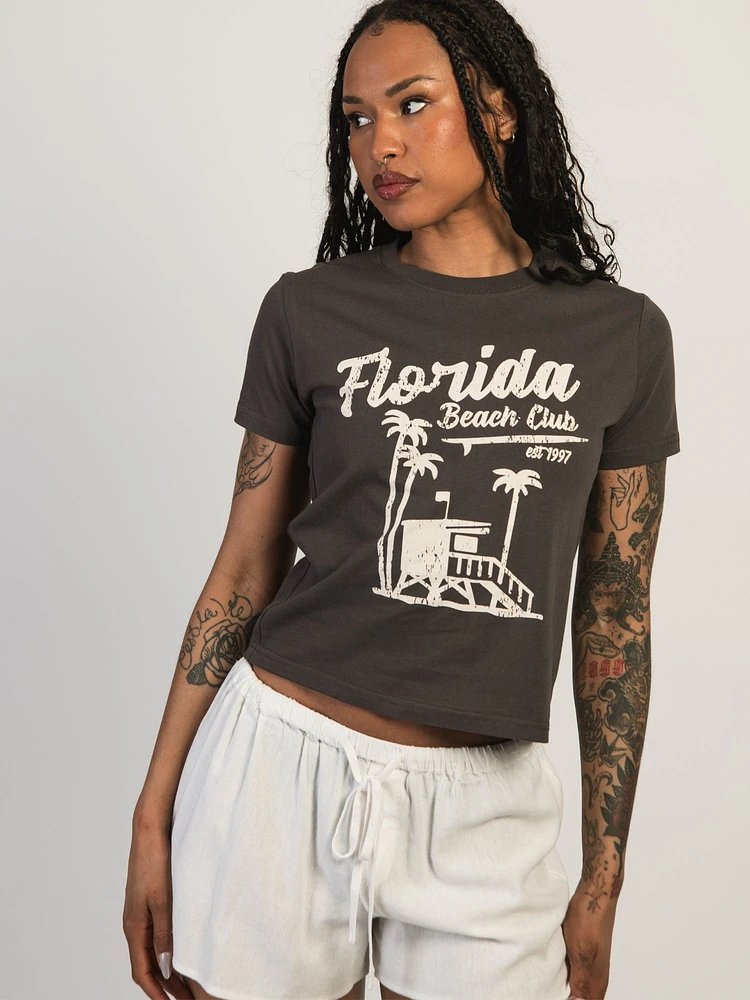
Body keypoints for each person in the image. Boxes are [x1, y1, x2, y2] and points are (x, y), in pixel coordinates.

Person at [123, 3, 681, 999]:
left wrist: (605, 876)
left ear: (500, 109)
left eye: (412, 104)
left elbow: (615, 613)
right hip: (280, 768)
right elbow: (243, 569)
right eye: (356, 118)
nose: (378, 143)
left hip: (486, 804)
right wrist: (152, 813)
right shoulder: (308, 310)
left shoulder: (622, 337)